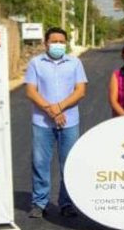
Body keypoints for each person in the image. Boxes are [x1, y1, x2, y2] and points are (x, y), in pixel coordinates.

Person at [24, 27, 88, 219]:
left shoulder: (75, 63)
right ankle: (39, 203)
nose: (58, 45)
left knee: (68, 163)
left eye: (62, 41)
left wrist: (58, 108)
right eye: (54, 41)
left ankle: (66, 203)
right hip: (42, 122)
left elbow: (80, 91)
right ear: (46, 43)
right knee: (40, 162)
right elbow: (31, 91)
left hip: (69, 122)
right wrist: (50, 110)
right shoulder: (35, 63)